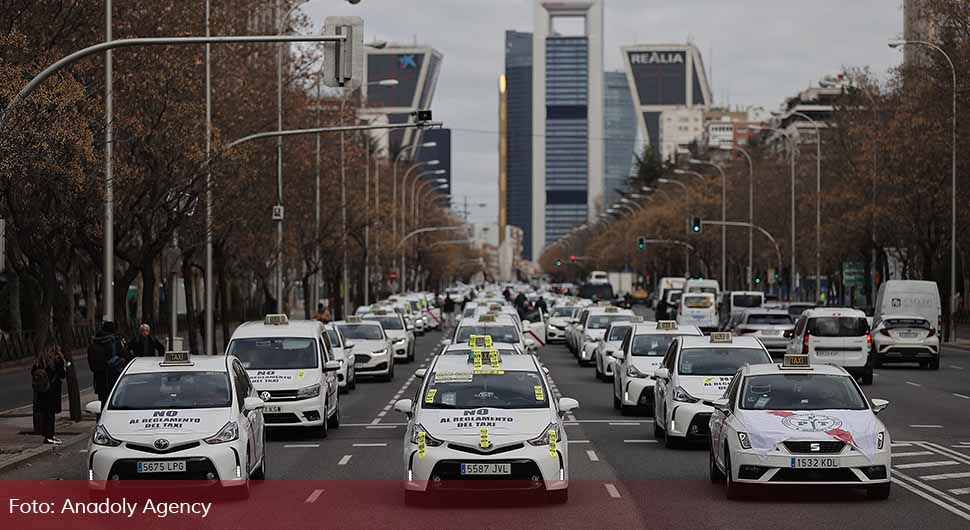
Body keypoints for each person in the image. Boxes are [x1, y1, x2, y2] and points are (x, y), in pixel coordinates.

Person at [87, 320, 128, 407]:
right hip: (115, 379)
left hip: (100, 382)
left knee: (101, 405)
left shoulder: (94, 344)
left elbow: (92, 366)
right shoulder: (116, 343)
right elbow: (126, 357)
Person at [32, 346, 67, 445]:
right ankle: (49, 436)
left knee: (44, 413)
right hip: (52, 391)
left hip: (41, 391)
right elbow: (63, 374)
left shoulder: (39, 361)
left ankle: (45, 433)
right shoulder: (57, 360)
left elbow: (33, 373)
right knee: (50, 414)